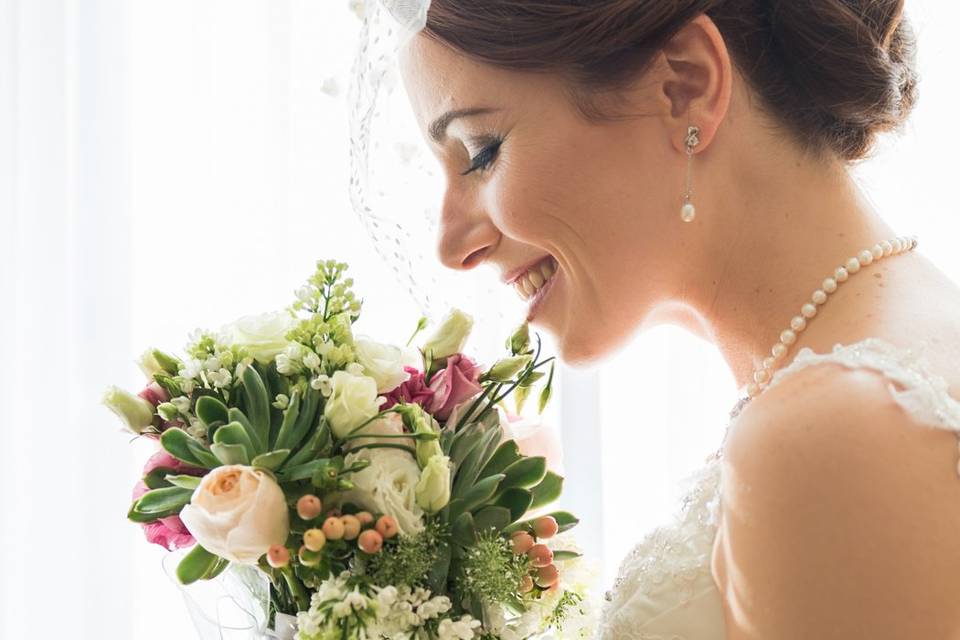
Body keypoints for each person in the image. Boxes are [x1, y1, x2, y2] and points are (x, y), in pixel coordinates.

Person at [363, 0, 960, 637]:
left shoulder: (835, 436)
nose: (452, 246)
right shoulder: (888, 354)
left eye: (481, 152)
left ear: (684, 84)